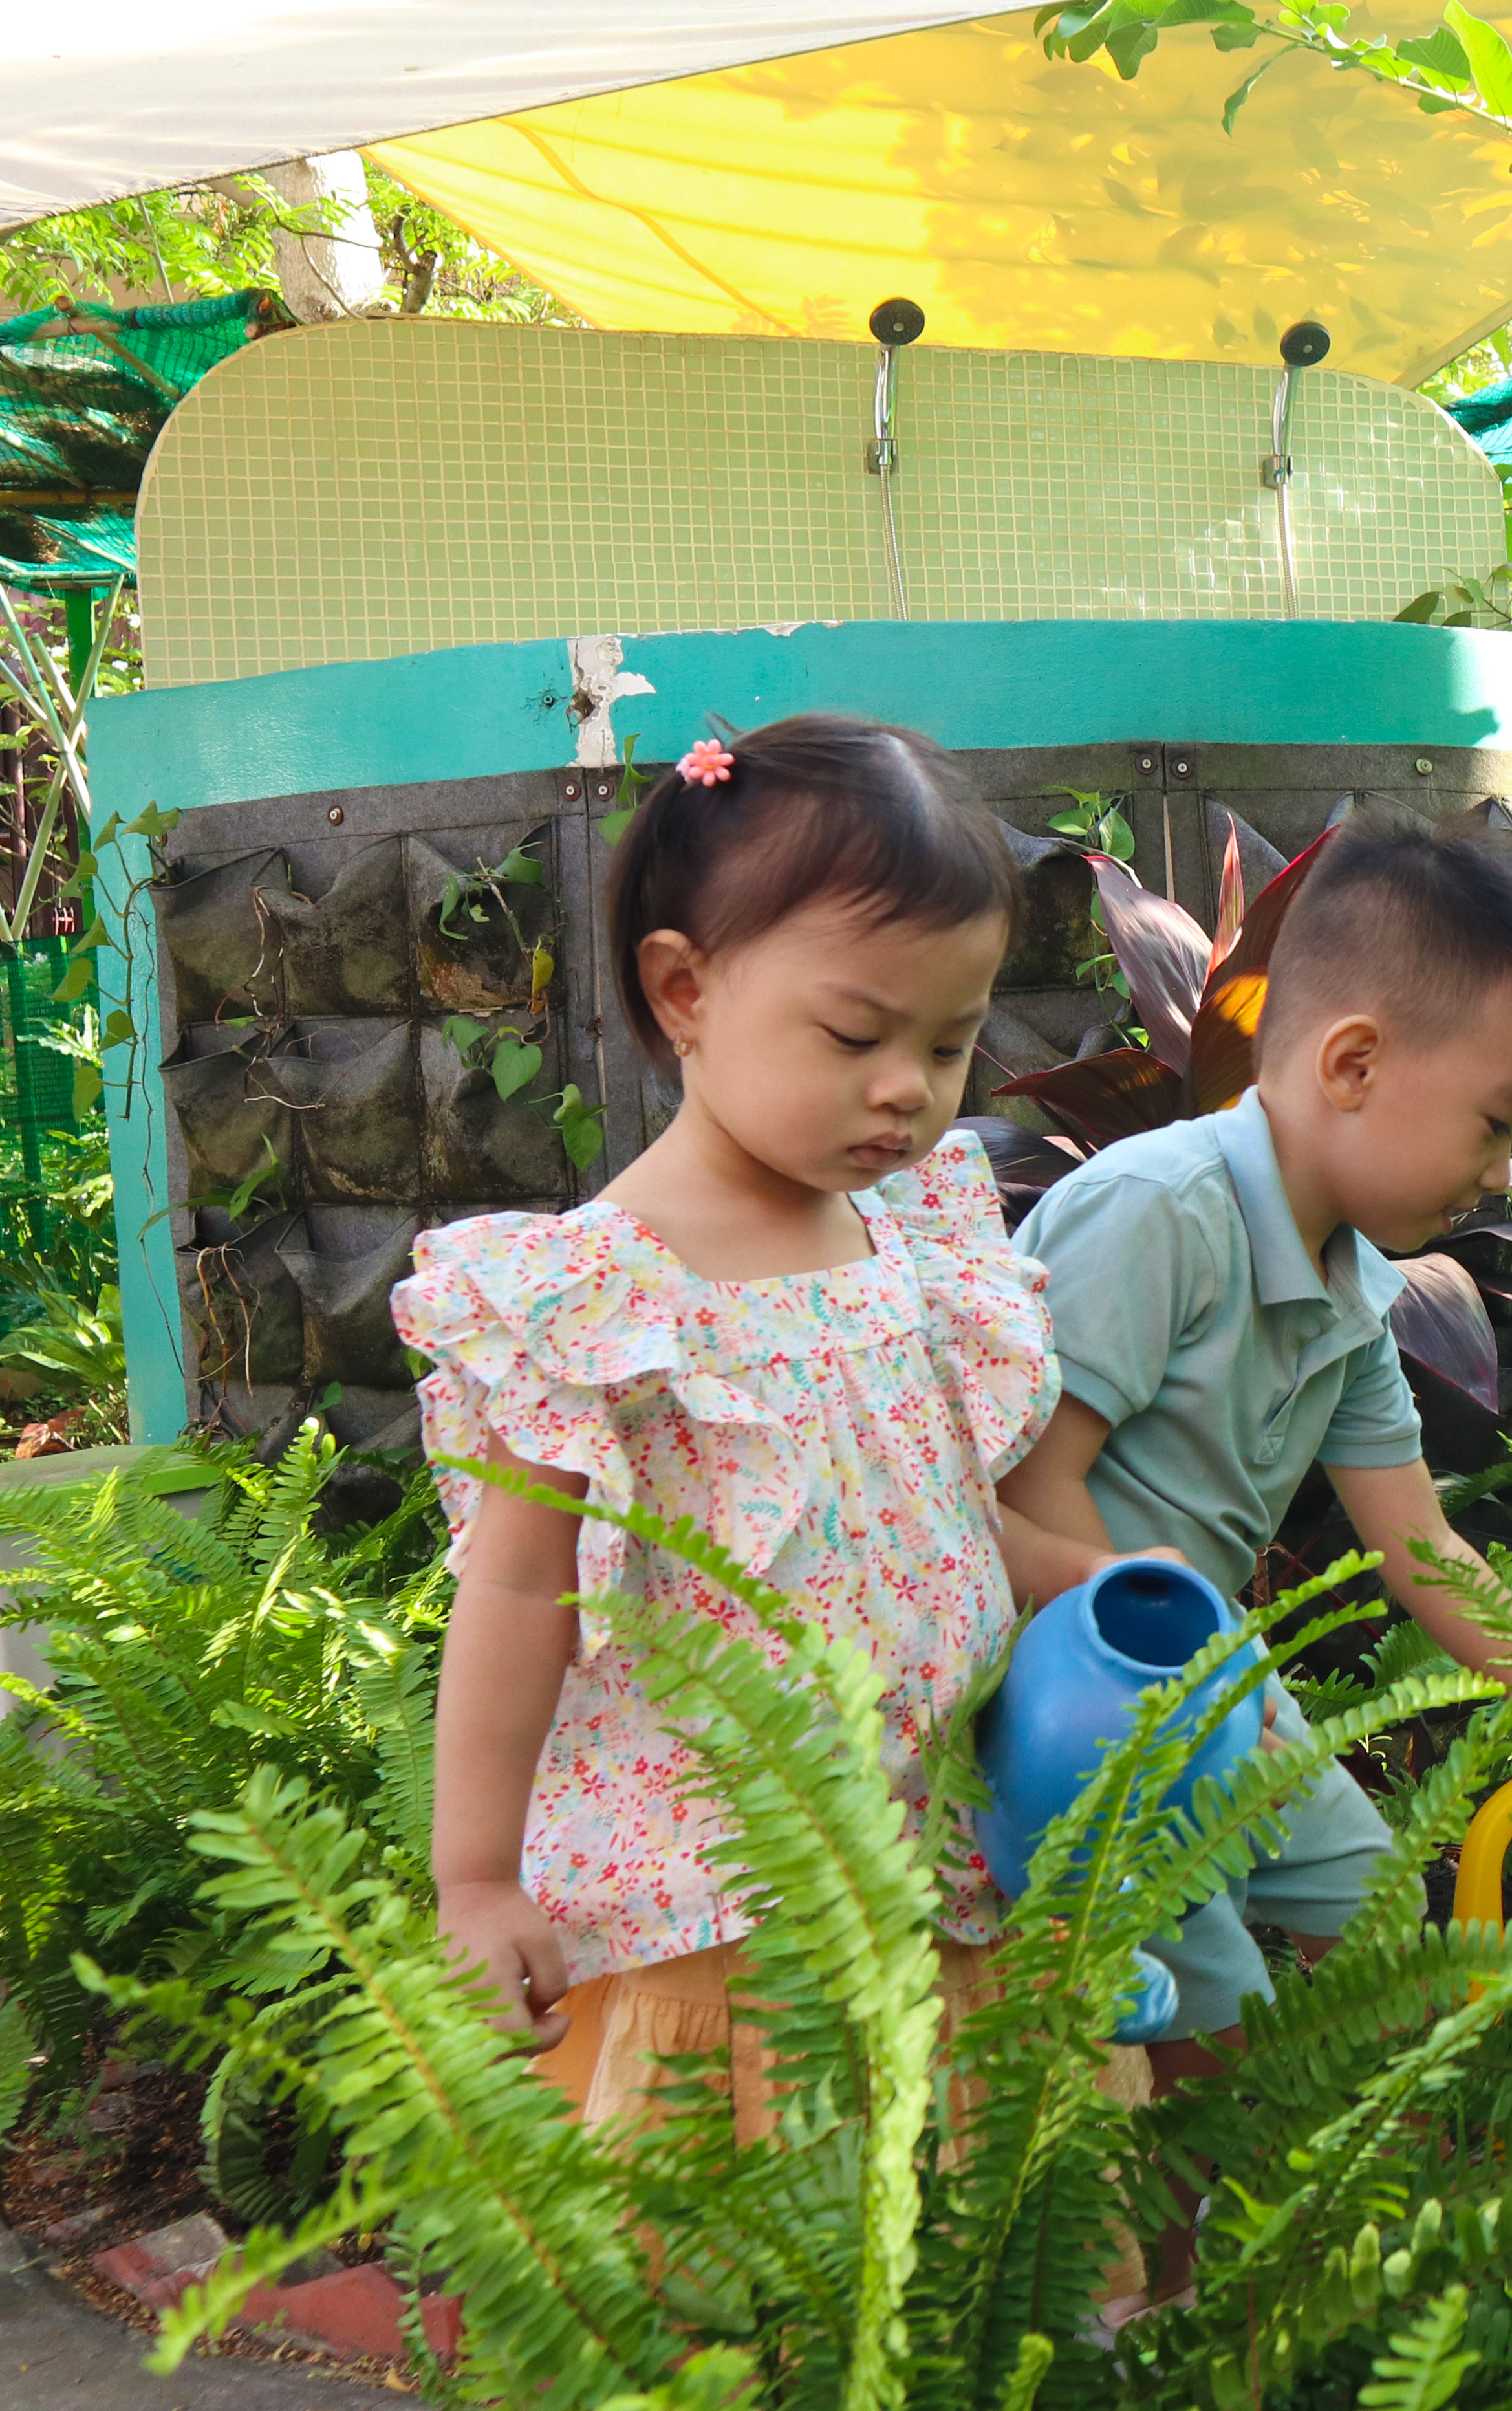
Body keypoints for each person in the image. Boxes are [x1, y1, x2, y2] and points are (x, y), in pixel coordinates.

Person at [404, 713, 1124, 2128]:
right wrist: (476, 1878)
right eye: (857, 1032)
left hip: (944, 1881)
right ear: (685, 989)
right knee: (734, 2296)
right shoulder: (601, 1298)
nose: (907, 1085)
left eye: (951, 1040)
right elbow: (514, 1588)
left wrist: (1108, 1596)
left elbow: (939, 1522)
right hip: (716, 1918)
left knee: (969, 2281)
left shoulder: (915, 1246)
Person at [999, 803, 1512, 2073]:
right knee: (1210, 2009)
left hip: (1205, 1684)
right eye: (1497, 1120)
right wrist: (1165, 1706)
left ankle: (1388, 2214)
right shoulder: (1154, 1215)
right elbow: (1017, 1490)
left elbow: (1421, 1548)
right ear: (1353, 1065)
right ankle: (1191, 2257)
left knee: (1382, 1911)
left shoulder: (1354, 1282)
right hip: (1078, 1703)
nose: (1505, 1170)